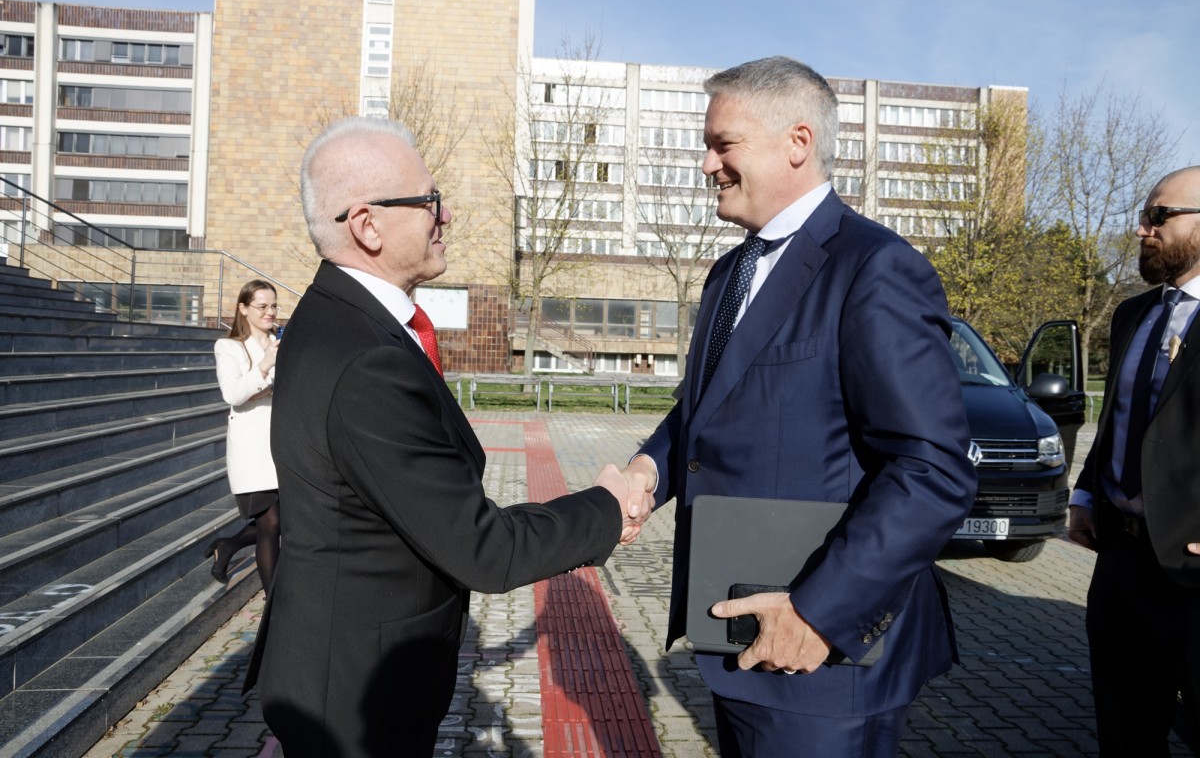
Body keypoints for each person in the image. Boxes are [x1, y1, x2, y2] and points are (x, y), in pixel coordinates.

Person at [243, 116, 648, 758]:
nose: (447, 214)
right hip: (357, 700)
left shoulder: (333, 317)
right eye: (429, 200)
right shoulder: (364, 359)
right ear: (368, 225)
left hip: (344, 671)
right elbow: (483, 550)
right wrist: (605, 509)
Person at [619, 56, 976, 756]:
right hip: (739, 645)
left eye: (723, 145)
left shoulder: (874, 268)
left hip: (820, 664)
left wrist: (818, 612)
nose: (706, 165)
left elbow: (933, 470)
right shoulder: (731, 271)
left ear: (798, 143)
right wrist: (647, 470)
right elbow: (707, 409)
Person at [1068, 166, 1200, 755]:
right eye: (1145, 214)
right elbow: (1123, 421)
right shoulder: (1132, 314)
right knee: (1125, 734)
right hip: (1120, 561)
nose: (1142, 228)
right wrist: (1085, 493)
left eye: (1160, 216)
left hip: (1194, 573)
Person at [207, 279, 281, 592]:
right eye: (262, 307)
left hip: (285, 446)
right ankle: (274, 606)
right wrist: (265, 366)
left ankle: (227, 545)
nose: (270, 312)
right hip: (253, 453)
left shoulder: (282, 340)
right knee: (271, 524)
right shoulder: (229, 347)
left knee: (286, 522)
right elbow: (234, 394)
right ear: (243, 309)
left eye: (274, 306)